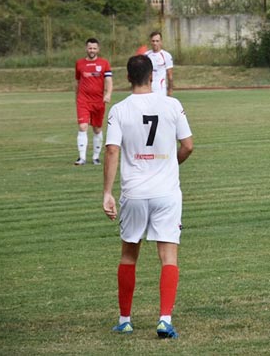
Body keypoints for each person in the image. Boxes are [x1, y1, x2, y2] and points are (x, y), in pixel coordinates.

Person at [103, 55, 194, 339]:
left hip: (134, 192)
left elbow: (112, 150)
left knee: (129, 254)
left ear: (128, 78)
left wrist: (107, 192)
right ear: (152, 77)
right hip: (167, 193)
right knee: (168, 256)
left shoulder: (119, 110)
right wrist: (169, 165)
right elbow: (188, 146)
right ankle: (165, 319)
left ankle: (125, 319)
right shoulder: (172, 104)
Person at [74, 37, 113, 165]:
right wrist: (76, 97)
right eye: (90, 48)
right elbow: (78, 81)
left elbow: (108, 81)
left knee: (97, 129)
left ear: (98, 49)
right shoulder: (79, 63)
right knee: (82, 126)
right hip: (83, 100)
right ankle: (82, 158)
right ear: (86, 48)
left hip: (98, 101)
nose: (92, 50)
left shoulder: (104, 63)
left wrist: (108, 94)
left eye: (94, 48)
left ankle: (95, 158)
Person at [144, 31, 174, 96]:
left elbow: (170, 76)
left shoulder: (166, 55)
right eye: (153, 41)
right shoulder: (146, 55)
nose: (155, 43)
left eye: (157, 41)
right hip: (148, 89)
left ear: (161, 42)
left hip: (160, 89)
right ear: (150, 42)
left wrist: (170, 89)